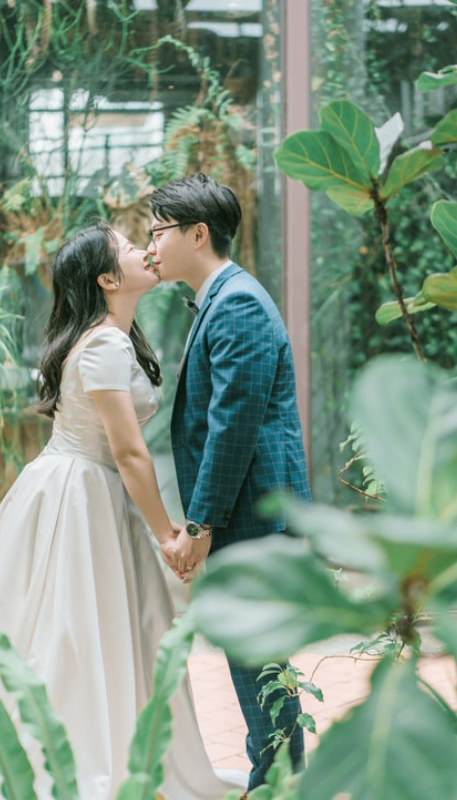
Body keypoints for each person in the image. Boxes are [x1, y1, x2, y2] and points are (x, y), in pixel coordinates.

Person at [0, 222, 240, 800]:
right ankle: (72, 761)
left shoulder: (112, 337)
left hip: (86, 488)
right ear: (107, 277)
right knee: (69, 630)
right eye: (127, 247)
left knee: (101, 626)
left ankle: (113, 751)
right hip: (79, 493)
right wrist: (169, 533)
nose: (145, 248)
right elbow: (127, 451)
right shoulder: (101, 343)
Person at [147, 173, 310, 791]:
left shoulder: (236, 301)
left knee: (258, 655)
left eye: (159, 230)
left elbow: (232, 427)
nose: (151, 244)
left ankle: (278, 780)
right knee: (257, 656)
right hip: (251, 511)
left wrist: (199, 524)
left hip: (252, 514)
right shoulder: (223, 297)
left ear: (198, 233)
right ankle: (277, 776)